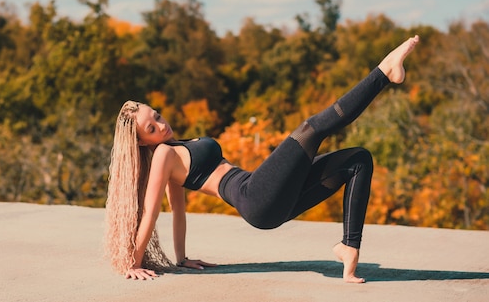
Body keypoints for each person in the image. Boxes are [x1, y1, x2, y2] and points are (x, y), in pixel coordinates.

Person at [105, 35, 420, 283]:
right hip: (254, 197)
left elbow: (179, 211)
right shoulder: (162, 154)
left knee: (358, 160)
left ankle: (349, 248)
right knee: (310, 130)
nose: (161, 124)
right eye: (151, 127)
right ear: (141, 141)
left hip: (266, 199)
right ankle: (383, 73)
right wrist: (133, 262)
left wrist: (182, 258)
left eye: (157, 116)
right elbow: (151, 212)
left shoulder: (174, 150)